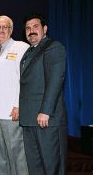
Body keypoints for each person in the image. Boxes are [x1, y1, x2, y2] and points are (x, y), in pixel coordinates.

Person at [19, 14, 67, 175]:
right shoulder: (28, 52)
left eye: (35, 27)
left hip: (46, 119)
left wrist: (45, 111)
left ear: (44, 29)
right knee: (35, 167)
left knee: (52, 167)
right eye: (28, 28)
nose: (31, 31)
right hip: (29, 119)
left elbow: (55, 81)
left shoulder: (53, 47)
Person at [0, 15, 29, 175]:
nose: (1, 30)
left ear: (11, 30)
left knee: (17, 155)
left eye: (5, 27)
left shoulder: (21, 47)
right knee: (0, 157)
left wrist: (19, 104)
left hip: (12, 111)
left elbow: (23, 80)